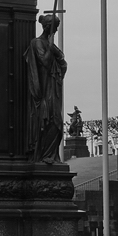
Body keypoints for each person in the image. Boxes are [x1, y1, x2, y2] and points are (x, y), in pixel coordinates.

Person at [25, 13, 67, 163]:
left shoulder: (51, 45)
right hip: (44, 90)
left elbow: (63, 65)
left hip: (54, 88)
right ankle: (45, 156)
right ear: (48, 28)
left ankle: (52, 155)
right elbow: (46, 62)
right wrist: (52, 50)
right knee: (49, 121)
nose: (55, 32)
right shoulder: (37, 43)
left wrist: (55, 52)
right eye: (54, 28)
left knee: (57, 122)